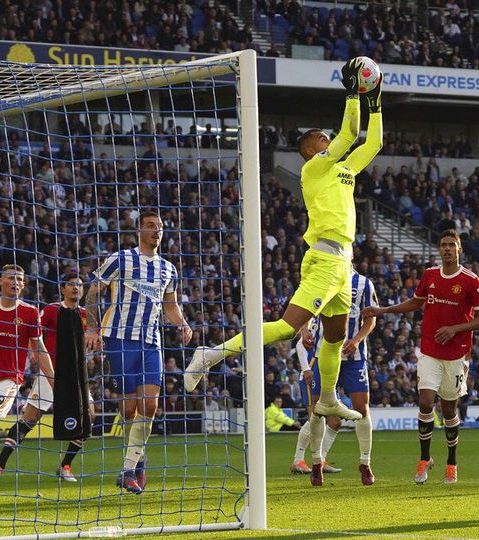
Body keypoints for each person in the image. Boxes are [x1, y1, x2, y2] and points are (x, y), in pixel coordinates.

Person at [183, 58, 383, 461]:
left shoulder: (342, 170)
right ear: (313, 149)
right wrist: (353, 95)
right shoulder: (315, 169)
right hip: (326, 257)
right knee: (287, 326)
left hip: (343, 263)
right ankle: (212, 353)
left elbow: (372, 143)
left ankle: (327, 399)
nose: (331, 143)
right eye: (324, 141)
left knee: (335, 335)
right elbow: (349, 132)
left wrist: (376, 102)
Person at [363, 230, 479, 485]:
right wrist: (383, 310)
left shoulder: (471, 281)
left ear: (459, 249)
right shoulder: (430, 275)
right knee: (425, 402)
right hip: (430, 349)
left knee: (448, 408)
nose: (446, 249)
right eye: (443, 245)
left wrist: (454, 329)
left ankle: (451, 463)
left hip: (456, 354)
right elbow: (415, 302)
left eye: (451, 245)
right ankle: (424, 460)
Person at [85, 211, 193, 494]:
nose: (155, 231)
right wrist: (93, 328)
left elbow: (170, 305)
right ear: (139, 231)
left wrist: (181, 324)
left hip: (151, 342)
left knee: (150, 405)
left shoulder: (169, 269)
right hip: (120, 339)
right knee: (129, 409)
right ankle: (138, 458)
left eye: (159, 227)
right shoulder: (120, 259)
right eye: (150, 226)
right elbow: (93, 293)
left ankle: (128, 470)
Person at [0, 273, 90, 483]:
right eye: (71, 284)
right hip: (51, 374)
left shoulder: (85, 314)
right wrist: (34, 354)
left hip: (77, 377)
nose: (76, 288)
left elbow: (90, 339)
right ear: (62, 289)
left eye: (80, 285)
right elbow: (34, 335)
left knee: (89, 416)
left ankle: (65, 465)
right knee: (29, 419)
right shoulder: (51, 309)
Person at [291, 270, 378, 486]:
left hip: (353, 358)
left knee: (362, 409)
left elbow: (371, 319)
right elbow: (307, 308)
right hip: (323, 356)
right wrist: (304, 330)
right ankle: (317, 462)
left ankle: (365, 463)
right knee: (319, 410)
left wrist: (357, 340)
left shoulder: (365, 283)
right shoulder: (323, 277)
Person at [0, 264, 55, 486]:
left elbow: (39, 349)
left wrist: (53, 379)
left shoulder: (29, 312)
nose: (15, 282)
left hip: (9, 377)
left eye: (19, 279)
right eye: (11, 278)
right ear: (0, 281)